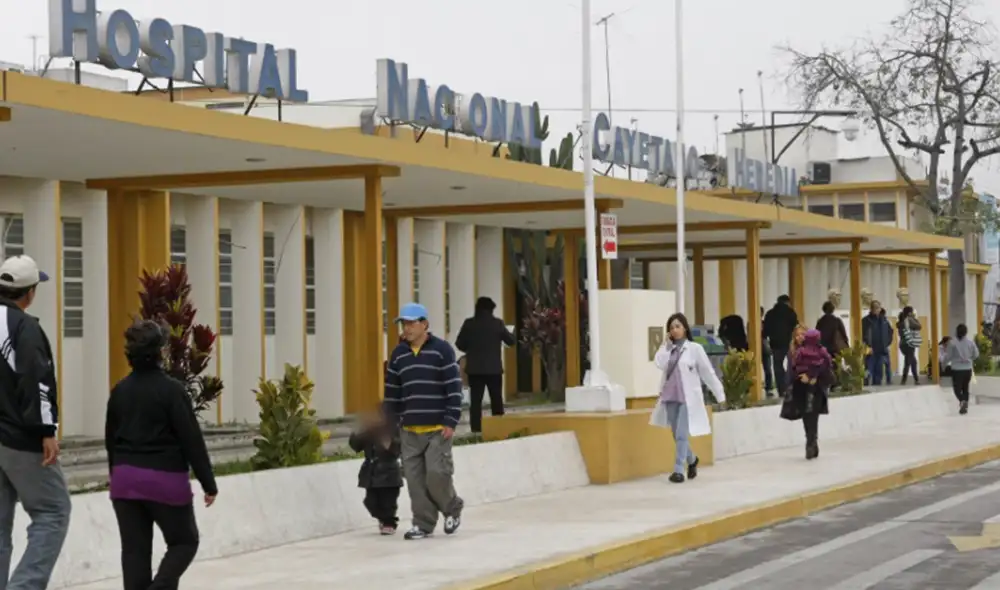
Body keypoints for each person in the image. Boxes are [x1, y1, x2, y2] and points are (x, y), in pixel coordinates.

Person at [105, 320, 217, 590]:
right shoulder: (172, 391)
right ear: (160, 353)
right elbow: (191, 439)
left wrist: (117, 476)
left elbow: (111, 441)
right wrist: (208, 483)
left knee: (134, 553)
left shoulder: (119, 391)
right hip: (165, 479)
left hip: (125, 480)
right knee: (184, 542)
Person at [0, 255, 71, 589]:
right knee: (54, 511)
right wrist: (47, 431)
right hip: (19, 439)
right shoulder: (24, 328)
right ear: (29, 293)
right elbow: (36, 380)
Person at [384, 302, 465, 540]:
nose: (406, 328)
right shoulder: (398, 355)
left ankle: (452, 508)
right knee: (415, 481)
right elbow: (392, 393)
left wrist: (451, 420)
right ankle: (423, 523)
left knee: (437, 474)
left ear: (424, 324)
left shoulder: (442, 350)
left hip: (437, 429)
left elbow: (453, 387)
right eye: (403, 323)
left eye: (411, 323)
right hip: (409, 429)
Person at [651, 313, 726, 484]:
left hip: (687, 398)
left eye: (678, 326)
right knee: (676, 433)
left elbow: (708, 372)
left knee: (681, 434)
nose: (675, 330)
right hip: (670, 396)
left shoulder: (694, 349)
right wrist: (665, 344)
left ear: (685, 328)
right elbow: (659, 362)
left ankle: (678, 470)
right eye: (671, 328)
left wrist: (719, 394)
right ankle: (692, 460)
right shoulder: (668, 350)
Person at [454, 296, 515, 433]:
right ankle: (498, 428)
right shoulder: (497, 324)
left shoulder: (469, 324)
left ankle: (476, 429)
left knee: (475, 402)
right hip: (494, 369)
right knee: (496, 399)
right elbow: (510, 341)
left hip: (475, 370)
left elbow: (459, 344)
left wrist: (471, 349)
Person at [781, 329, 834, 460]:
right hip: (817, 388)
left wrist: (802, 376)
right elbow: (828, 367)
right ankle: (812, 441)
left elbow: (793, 368)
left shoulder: (800, 352)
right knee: (813, 415)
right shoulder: (823, 352)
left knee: (806, 414)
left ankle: (810, 441)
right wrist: (815, 377)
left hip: (801, 387)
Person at [348, 410, 403, 535]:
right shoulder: (369, 431)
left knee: (389, 502)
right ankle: (383, 519)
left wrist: (388, 441)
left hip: (389, 473)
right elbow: (356, 445)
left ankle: (389, 522)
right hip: (371, 472)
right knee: (370, 501)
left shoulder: (393, 428)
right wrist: (357, 431)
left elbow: (397, 449)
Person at [763, 295, 799, 395]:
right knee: (792, 365)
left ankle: (781, 389)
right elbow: (796, 328)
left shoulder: (770, 313)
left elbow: (765, 331)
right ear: (787, 302)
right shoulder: (790, 312)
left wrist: (766, 342)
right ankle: (791, 386)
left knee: (777, 366)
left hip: (775, 344)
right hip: (789, 343)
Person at [944, 324, 979, 415]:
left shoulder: (952, 343)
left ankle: (962, 400)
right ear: (966, 332)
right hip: (968, 369)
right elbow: (976, 355)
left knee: (957, 389)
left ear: (956, 331)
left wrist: (943, 364)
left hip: (956, 369)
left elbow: (948, 356)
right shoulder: (970, 343)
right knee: (965, 388)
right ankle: (964, 407)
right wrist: (969, 358)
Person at [861, 301, 893, 386]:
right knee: (868, 369)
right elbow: (862, 334)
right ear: (871, 309)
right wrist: (867, 345)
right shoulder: (865, 320)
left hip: (881, 349)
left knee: (879, 372)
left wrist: (887, 343)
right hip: (870, 350)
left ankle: (877, 387)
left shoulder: (884, 320)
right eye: (874, 307)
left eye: (878, 307)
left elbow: (890, 332)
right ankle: (866, 384)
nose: (876, 309)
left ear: (880, 308)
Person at [896, 306, 922, 385]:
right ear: (910, 312)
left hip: (903, 344)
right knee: (908, 362)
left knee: (913, 361)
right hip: (909, 343)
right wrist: (913, 318)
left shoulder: (901, 321)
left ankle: (916, 379)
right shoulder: (909, 320)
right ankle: (904, 380)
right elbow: (919, 326)